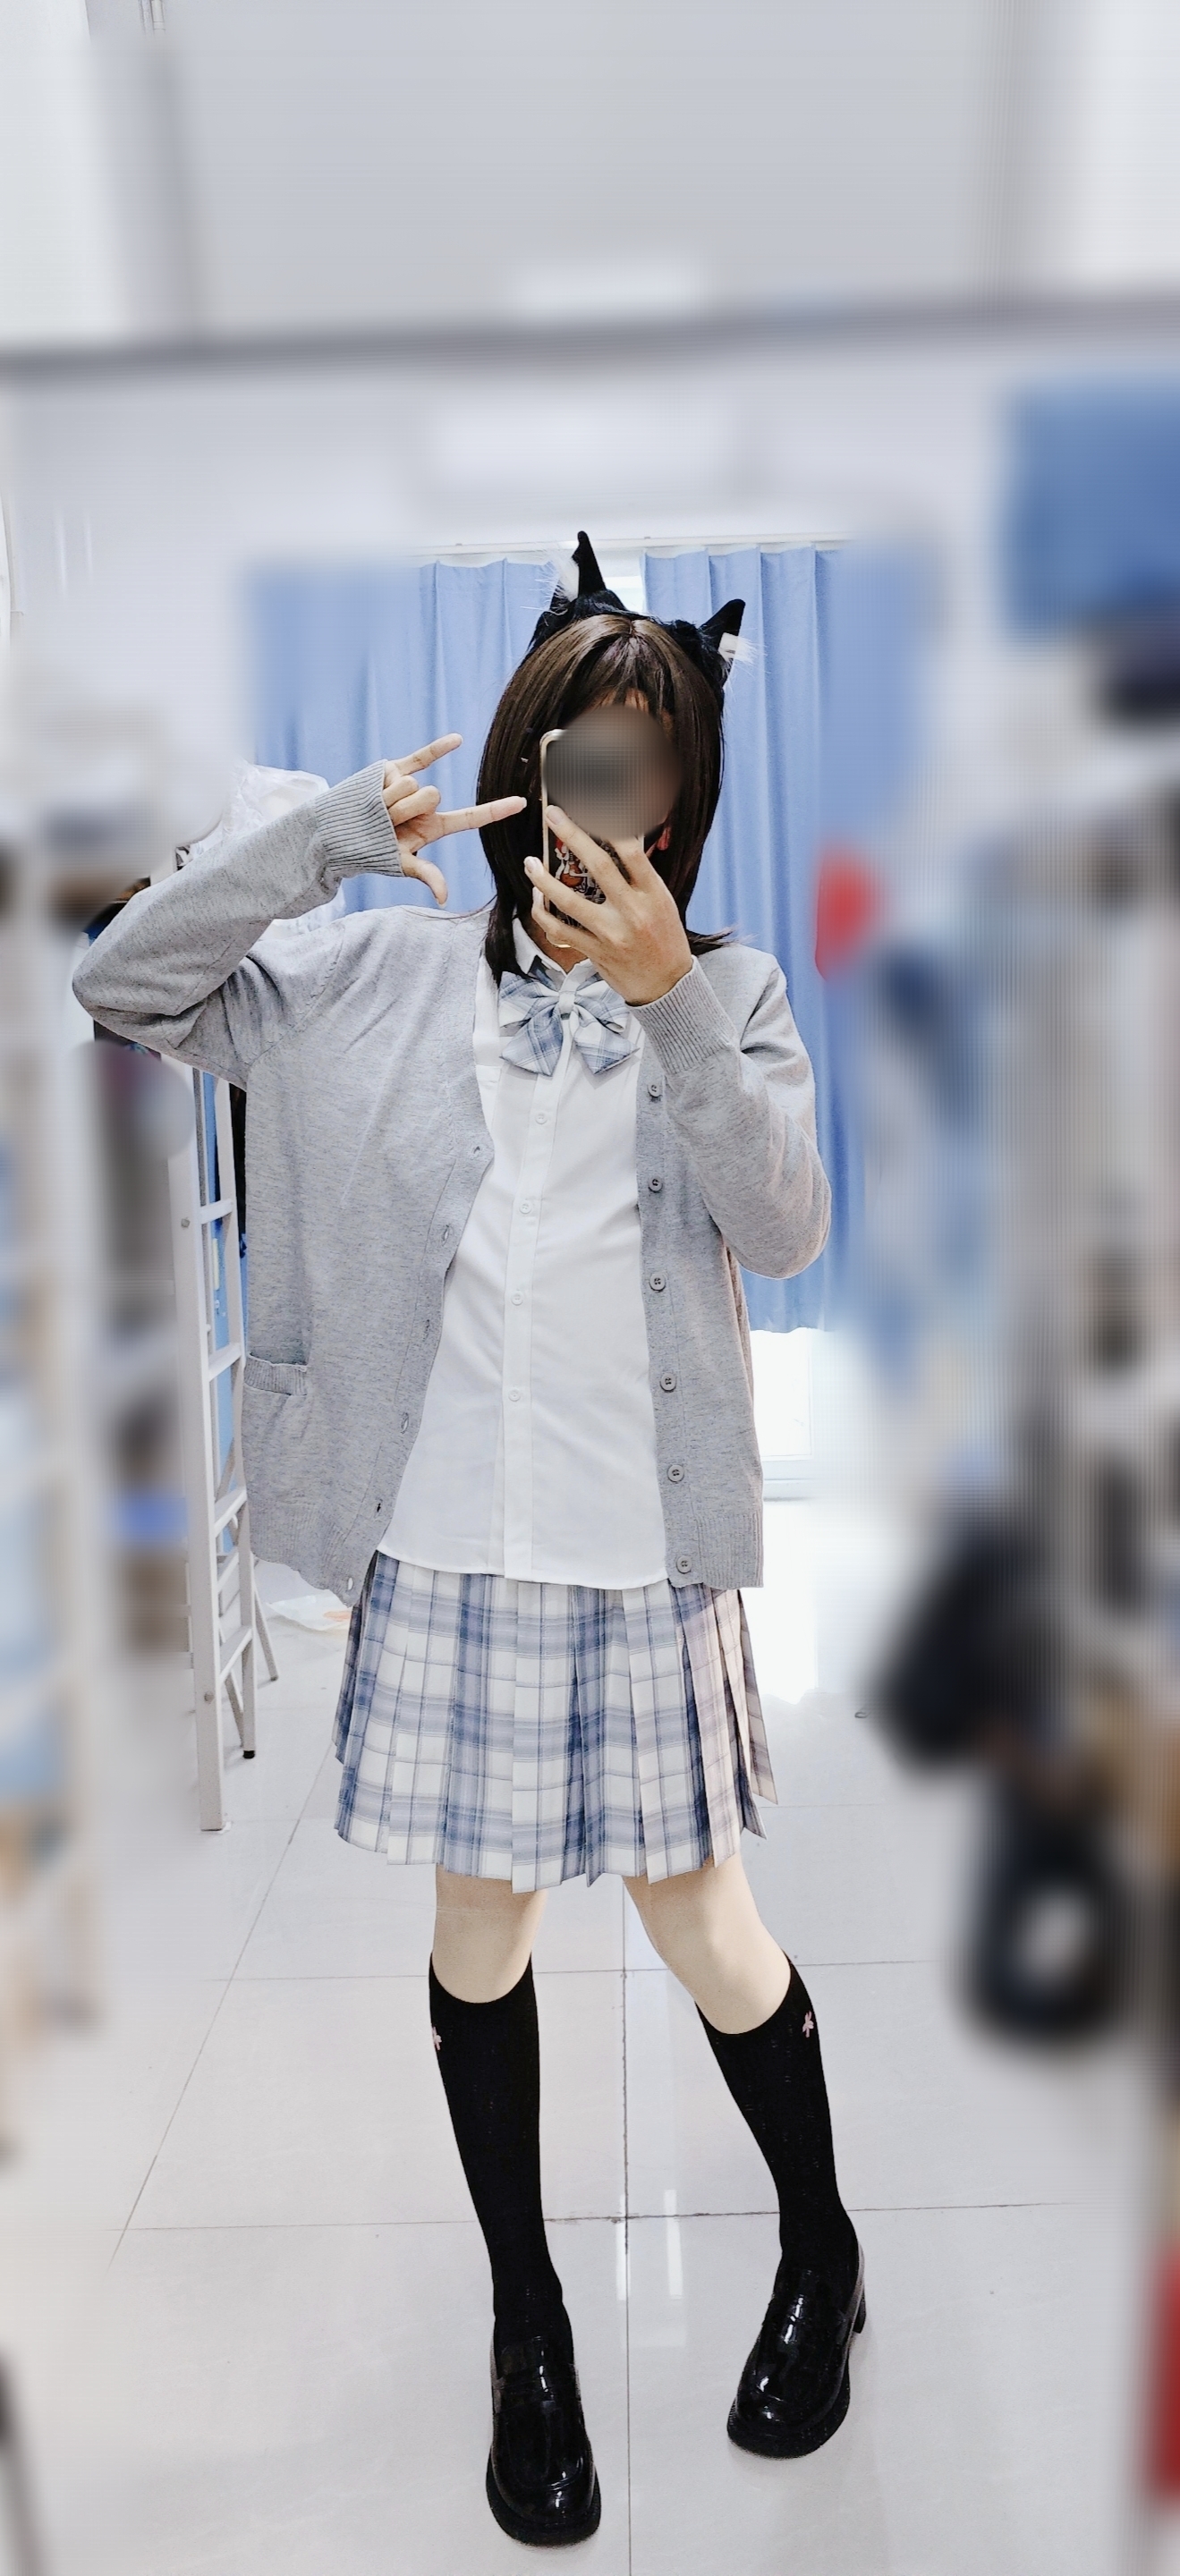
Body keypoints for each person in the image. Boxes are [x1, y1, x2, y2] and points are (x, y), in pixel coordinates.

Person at [73, 535, 865, 2550]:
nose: (603, 791)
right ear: (519, 765)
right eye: (573, 750)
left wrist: (668, 1002)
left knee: (708, 1928)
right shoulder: (377, 973)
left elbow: (785, 1231)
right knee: (479, 1937)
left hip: (643, 1551)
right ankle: (531, 2329)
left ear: (678, 801)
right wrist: (329, 841)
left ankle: (824, 2247)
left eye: (642, 763)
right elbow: (124, 983)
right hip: (446, 1555)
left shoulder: (733, 992)